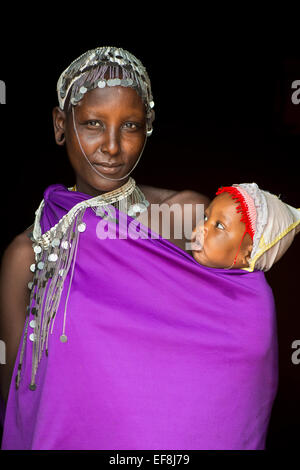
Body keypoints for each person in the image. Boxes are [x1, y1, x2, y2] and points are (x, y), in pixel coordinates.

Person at [0, 46, 209, 450]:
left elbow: (238, 323)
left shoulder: (182, 218)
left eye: (129, 126)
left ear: (148, 125)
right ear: (61, 125)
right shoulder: (29, 253)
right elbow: (15, 401)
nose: (112, 147)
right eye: (94, 123)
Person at [190, 182, 300, 271]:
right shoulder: (183, 262)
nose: (202, 227)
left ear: (248, 255)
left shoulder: (252, 296)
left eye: (220, 225)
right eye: (205, 217)